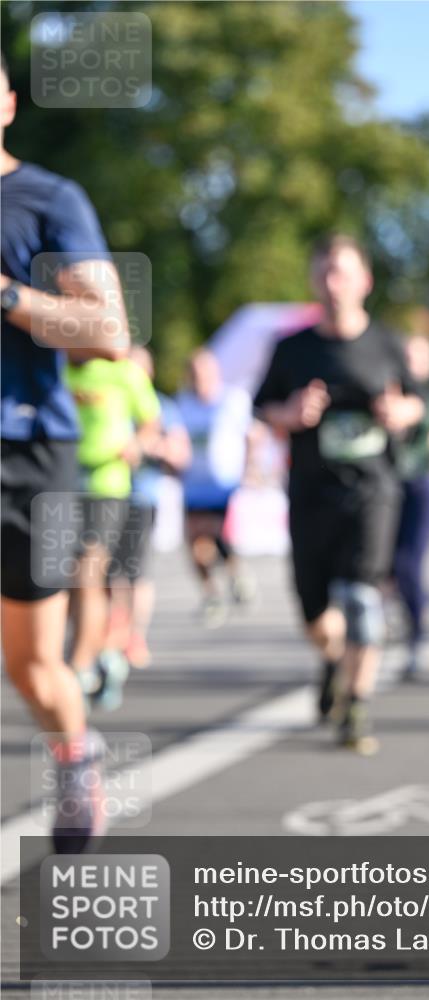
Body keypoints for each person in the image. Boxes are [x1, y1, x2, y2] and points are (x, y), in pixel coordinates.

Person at [0, 53, 128, 850]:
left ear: (7, 104)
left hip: (28, 452)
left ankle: (76, 754)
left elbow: (109, 332)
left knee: (34, 666)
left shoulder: (48, 199)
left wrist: (8, 294)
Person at [254, 234, 424, 752]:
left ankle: (358, 705)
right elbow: (262, 408)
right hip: (310, 493)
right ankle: (330, 661)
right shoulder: (292, 347)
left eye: (344, 273)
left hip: (373, 490)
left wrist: (401, 413)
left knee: (362, 598)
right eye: (325, 273)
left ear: (365, 282)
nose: (334, 284)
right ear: (313, 281)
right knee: (314, 612)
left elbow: (423, 404)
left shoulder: (388, 344)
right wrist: (291, 414)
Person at [65, 349, 161, 703]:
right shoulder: (53, 368)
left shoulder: (123, 373)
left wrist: (138, 443)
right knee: (67, 581)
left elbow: (151, 422)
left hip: (107, 487)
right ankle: (99, 650)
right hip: (57, 486)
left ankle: (80, 664)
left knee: (88, 572)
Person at [106, 346, 191, 668]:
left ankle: (135, 636)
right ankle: (113, 631)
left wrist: (148, 446)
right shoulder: (110, 396)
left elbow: (180, 454)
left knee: (136, 571)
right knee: (109, 571)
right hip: (107, 494)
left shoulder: (162, 406)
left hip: (142, 497)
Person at [177, 348, 255, 627]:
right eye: (195, 373)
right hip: (194, 485)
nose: (201, 379)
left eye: (205, 372)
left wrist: (250, 470)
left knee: (219, 538)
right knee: (197, 543)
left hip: (225, 485)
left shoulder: (233, 400)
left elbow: (251, 436)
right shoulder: (183, 403)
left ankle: (235, 572)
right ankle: (211, 593)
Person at [391, 334, 429, 680]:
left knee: (409, 562)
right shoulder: (386, 391)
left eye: (418, 357)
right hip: (385, 484)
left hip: (420, 484)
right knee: (382, 565)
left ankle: (416, 634)